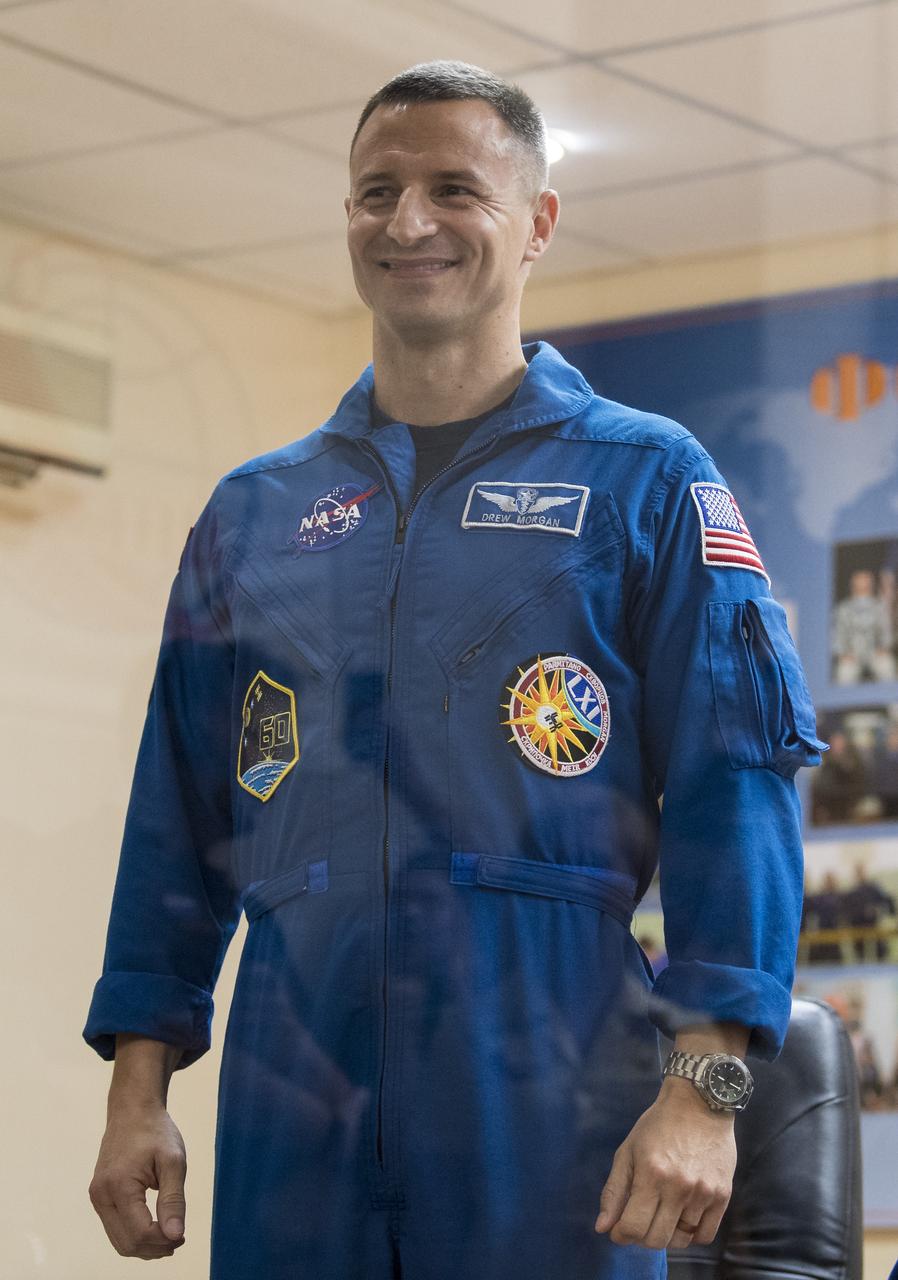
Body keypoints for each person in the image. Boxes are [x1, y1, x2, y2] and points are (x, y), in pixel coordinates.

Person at [84, 60, 827, 1280]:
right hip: (293, 1067)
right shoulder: (254, 511)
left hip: (548, 1062)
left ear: (535, 223)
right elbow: (175, 816)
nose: (407, 222)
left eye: (452, 188)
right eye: (376, 191)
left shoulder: (644, 478)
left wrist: (703, 1090)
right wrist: (136, 1086)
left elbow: (731, 795)